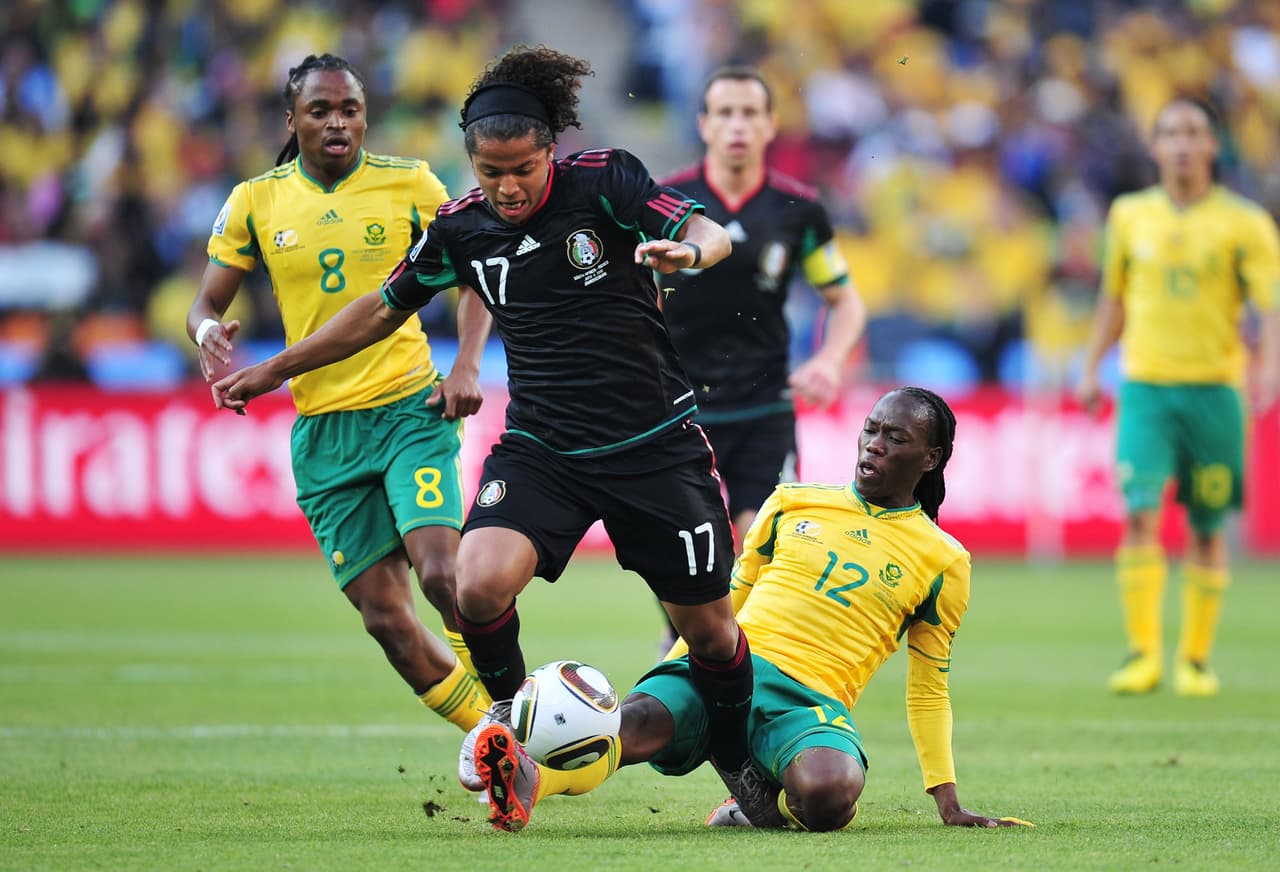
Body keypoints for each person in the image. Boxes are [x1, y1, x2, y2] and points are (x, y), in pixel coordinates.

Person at [208, 46, 758, 834]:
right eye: (489, 170)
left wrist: (692, 251)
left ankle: (741, 772)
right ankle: (506, 728)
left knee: (709, 632)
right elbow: (381, 308)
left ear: (550, 151)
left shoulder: (606, 179)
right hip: (543, 449)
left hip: (655, 447)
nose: (506, 187)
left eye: (522, 170)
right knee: (475, 584)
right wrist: (277, 369)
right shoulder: (460, 226)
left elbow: (706, 229)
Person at [473, 387, 1033, 832]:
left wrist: (947, 797)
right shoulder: (793, 501)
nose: (874, 444)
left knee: (829, 793)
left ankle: (753, 802)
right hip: (727, 665)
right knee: (633, 724)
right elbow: (724, 603)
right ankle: (527, 781)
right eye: (870, 430)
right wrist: (667, 671)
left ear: (931, 458)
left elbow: (929, 686)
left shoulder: (944, 560)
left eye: (896, 438)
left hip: (808, 701)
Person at [187, 53, 492, 733]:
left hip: (411, 406)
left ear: (365, 117)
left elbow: (475, 275)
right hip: (325, 429)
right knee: (386, 620)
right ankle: (494, 736)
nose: (337, 122)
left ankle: (513, 703)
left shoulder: (410, 182)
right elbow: (205, 301)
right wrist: (207, 331)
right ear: (290, 119)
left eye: (350, 109)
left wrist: (468, 364)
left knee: (444, 574)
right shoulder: (255, 200)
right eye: (320, 110)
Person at [654, 66, 866, 648]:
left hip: (764, 408)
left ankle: (737, 670)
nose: (737, 126)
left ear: (772, 125)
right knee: (686, 552)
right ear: (703, 124)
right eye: (724, 113)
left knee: (757, 546)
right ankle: (683, 647)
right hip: (678, 409)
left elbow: (845, 302)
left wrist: (830, 359)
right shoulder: (669, 201)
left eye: (750, 113)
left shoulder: (798, 210)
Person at [1077, 96, 1280, 697]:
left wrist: (1267, 367)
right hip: (1145, 386)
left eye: (1193, 132)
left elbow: (1268, 306)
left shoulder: (1246, 222)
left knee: (1207, 525)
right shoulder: (1128, 216)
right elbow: (1112, 300)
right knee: (1139, 512)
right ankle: (1143, 653)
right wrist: (1091, 366)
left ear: (1213, 145)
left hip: (1216, 390)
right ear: (1156, 145)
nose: (1183, 144)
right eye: (1170, 133)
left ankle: (1195, 659)